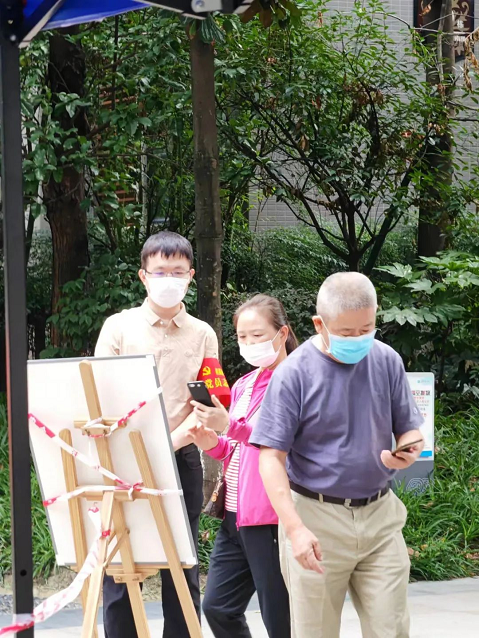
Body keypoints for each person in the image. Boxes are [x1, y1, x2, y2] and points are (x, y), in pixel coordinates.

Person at [249, 272, 425, 638]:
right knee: (315, 630)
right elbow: (270, 458)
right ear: (320, 324)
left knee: (391, 628)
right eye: (347, 332)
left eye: (367, 328)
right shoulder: (293, 374)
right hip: (315, 517)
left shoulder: (387, 360)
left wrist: (409, 449)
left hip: (380, 515)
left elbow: (409, 428)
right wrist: (295, 528)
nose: (359, 338)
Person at [95, 231, 219, 638]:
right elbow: (100, 394)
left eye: (178, 272)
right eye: (160, 271)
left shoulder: (203, 334)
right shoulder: (118, 327)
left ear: (191, 276)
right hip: (124, 460)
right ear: (143, 276)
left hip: (181, 459)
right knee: (121, 561)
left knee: (182, 562)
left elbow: (210, 401)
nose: (169, 279)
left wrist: (177, 440)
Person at [187, 295, 294, 638]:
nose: (248, 343)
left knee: (279, 615)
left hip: (271, 515)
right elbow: (235, 449)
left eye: (257, 335)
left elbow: (281, 442)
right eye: (242, 337)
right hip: (235, 514)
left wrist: (228, 426)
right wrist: (210, 441)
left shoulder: (297, 381)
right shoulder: (245, 384)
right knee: (218, 607)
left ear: (282, 333)